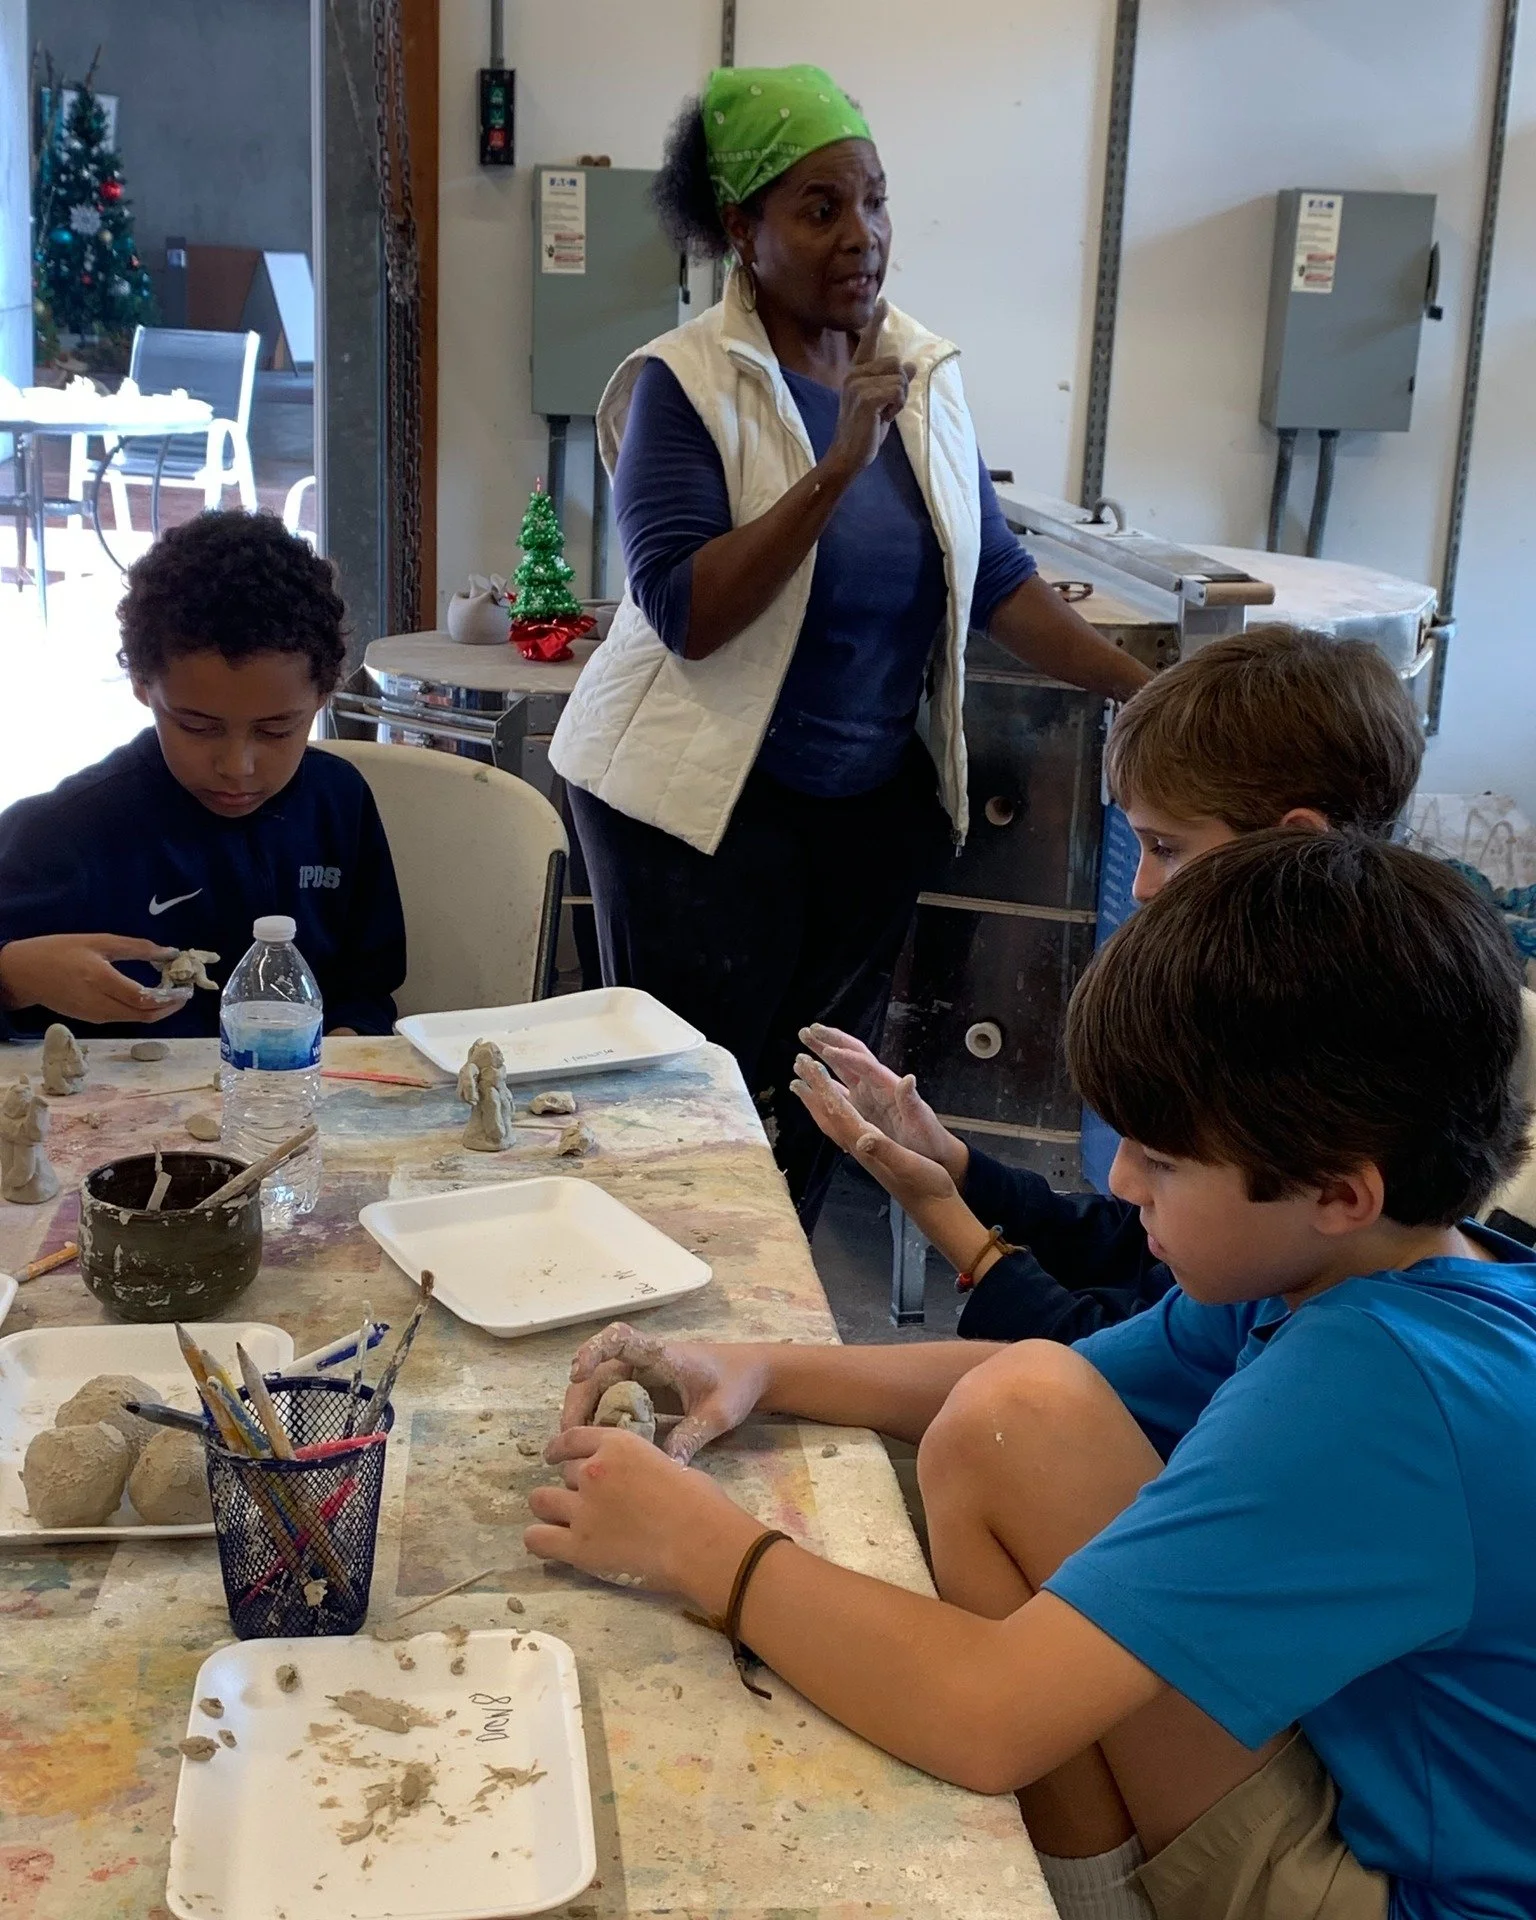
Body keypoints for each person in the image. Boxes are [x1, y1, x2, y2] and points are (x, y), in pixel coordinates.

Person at [528, 833, 1536, 1920]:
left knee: (998, 1459)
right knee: (1019, 1412)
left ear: (1339, 1189)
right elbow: (1036, 1376)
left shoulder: (1373, 1386)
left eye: (1164, 1157)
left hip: (1413, 1895)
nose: (1118, 1177)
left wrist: (698, 1543)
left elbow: (986, 1714)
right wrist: (757, 1364)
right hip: (1371, 1774)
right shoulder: (1378, 1257)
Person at [549, 64, 1148, 1232]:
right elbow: (687, 610)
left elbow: (999, 579)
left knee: (819, 1091)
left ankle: (772, 1320)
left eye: (874, 201)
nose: (861, 236)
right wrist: (837, 464)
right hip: (695, 813)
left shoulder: (920, 371)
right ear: (742, 230)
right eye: (820, 208)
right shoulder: (683, 384)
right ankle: (667, 1307)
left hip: (864, 804)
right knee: (694, 1099)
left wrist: (1152, 691)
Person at [793, 625, 1426, 1341]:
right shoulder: (1304, 992)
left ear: (1293, 839)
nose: (1143, 885)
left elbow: (1119, 1358)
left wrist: (945, 1213)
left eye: (1166, 848)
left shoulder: (1303, 1051)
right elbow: (1136, 1245)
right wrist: (958, 1166)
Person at [0, 510, 405, 1041]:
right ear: (143, 685)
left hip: (295, 1100)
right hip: (120, 1110)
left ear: (323, 696)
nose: (237, 766)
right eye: (197, 726)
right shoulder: (62, 830)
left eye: (277, 730)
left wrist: (347, 1047)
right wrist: (14, 977)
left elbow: (369, 987)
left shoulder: (339, 803)